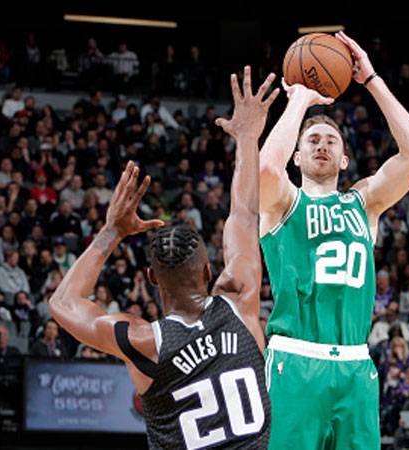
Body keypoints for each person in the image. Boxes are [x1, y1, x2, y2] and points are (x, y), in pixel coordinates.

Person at [49, 66, 278, 449]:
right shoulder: (239, 300)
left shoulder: (141, 341)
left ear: (152, 279)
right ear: (208, 271)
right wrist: (247, 137)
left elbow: (63, 303)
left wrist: (112, 231)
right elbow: (244, 213)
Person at [259, 31, 409, 449]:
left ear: (345, 159)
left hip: (355, 364)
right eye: (312, 141)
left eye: (331, 141)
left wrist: (371, 79)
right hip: (295, 361)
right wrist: (299, 100)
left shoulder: (365, 203)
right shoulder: (283, 202)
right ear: (296, 157)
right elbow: (264, 168)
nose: (321, 145)